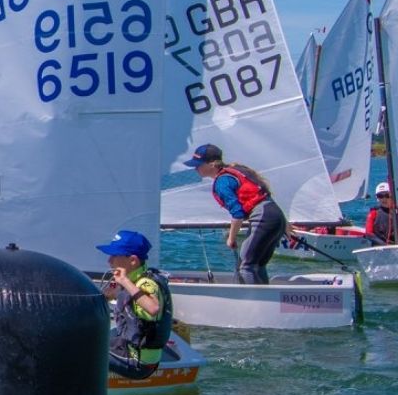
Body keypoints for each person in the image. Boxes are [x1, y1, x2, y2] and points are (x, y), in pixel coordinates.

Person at [185, 143, 286, 284]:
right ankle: (265, 298)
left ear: (212, 164)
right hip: (274, 215)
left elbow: (237, 214)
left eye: (199, 164)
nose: (196, 168)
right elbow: (264, 196)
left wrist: (231, 238)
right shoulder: (235, 170)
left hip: (263, 217)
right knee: (257, 263)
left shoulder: (222, 181)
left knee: (246, 266)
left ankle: (253, 302)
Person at [99, 229, 173, 380]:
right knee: (86, 339)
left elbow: (153, 308)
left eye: (114, 256)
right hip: (126, 349)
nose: (109, 260)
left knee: (82, 350)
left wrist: (124, 282)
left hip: (138, 363)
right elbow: (116, 296)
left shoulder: (146, 283)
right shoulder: (134, 279)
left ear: (133, 260)